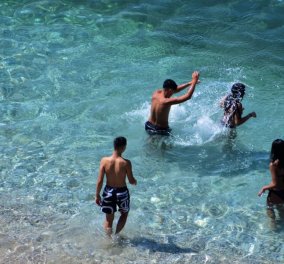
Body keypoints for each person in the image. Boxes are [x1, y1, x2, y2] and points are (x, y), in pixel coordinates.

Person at [95, 136, 137, 236]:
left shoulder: (104, 160)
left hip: (108, 192)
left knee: (109, 220)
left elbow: (100, 180)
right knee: (124, 214)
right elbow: (131, 180)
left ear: (114, 146)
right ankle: (116, 236)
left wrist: (97, 195)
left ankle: (109, 240)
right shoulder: (126, 163)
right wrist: (135, 181)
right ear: (124, 147)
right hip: (122, 192)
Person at [145, 71, 200, 135]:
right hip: (161, 130)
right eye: (173, 91)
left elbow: (176, 89)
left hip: (149, 125)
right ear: (170, 90)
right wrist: (194, 80)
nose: (173, 93)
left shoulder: (156, 93)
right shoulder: (166, 101)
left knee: (150, 143)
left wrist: (190, 83)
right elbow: (188, 96)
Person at [258, 139, 284, 205]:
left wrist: (263, 188)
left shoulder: (273, 165)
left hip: (277, 192)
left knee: (270, 209)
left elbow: (274, 184)